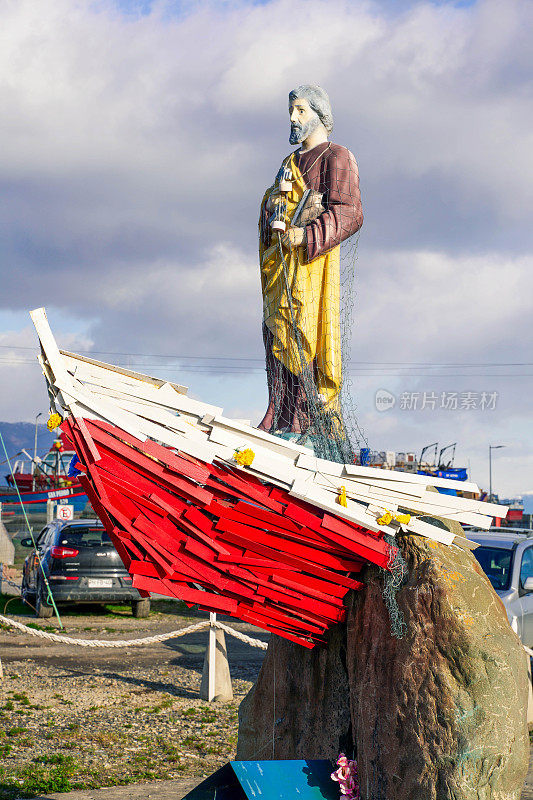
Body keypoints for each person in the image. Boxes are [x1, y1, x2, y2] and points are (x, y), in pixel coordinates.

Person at [257, 84, 363, 435]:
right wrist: (272, 208)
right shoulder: (286, 165)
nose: (292, 117)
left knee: (306, 333)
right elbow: (275, 209)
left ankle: (306, 421)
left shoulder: (337, 156)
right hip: (282, 267)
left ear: (319, 114)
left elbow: (350, 212)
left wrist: (307, 234)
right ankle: (281, 412)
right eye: (291, 110)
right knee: (277, 332)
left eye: (300, 110)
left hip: (312, 270)